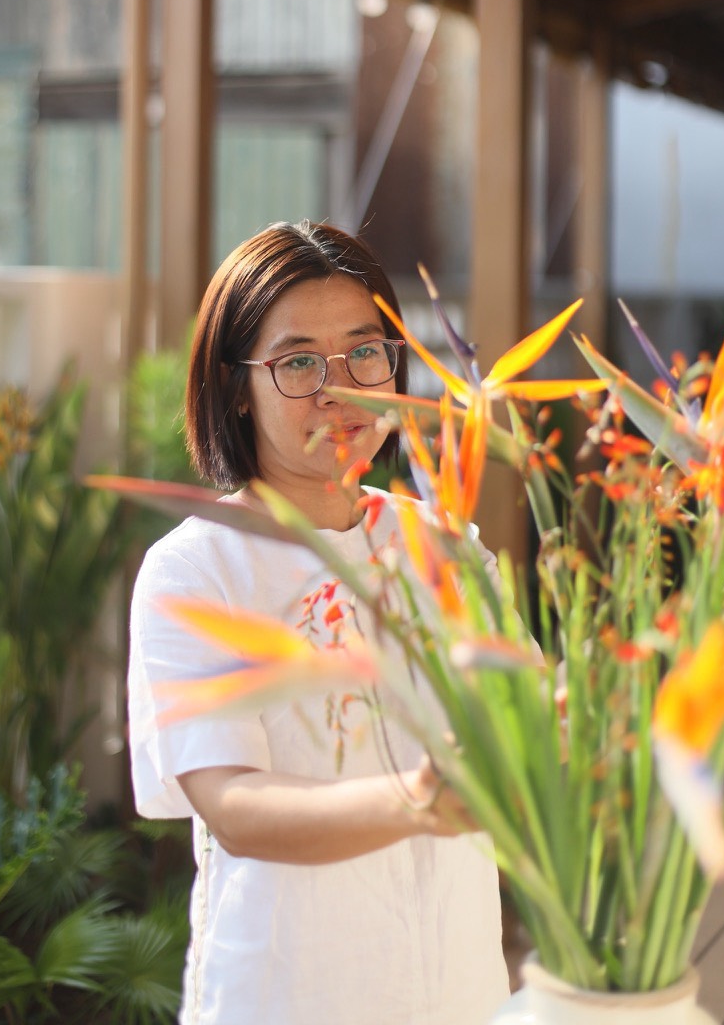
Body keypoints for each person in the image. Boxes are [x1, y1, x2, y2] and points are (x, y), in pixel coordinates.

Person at [128, 220, 510, 1025]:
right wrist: (415, 801)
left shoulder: (447, 546)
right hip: (288, 994)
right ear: (236, 386)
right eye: (297, 362)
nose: (339, 390)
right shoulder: (196, 570)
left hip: (461, 989)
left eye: (364, 351)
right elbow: (232, 804)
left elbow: (522, 725)